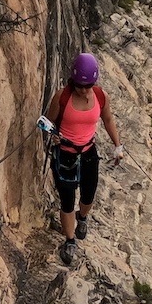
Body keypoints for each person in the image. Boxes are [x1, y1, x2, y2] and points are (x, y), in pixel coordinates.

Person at [45, 53, 123, 265]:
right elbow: (48, 121)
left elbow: (107, 119)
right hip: (66, 153)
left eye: (88, 86)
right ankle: (70, 240)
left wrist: (118, 146)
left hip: (88, 152)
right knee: (67, 199)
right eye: (80, 86)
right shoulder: (62, 97)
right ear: (74, 81)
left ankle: (83, 217)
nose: (85, 90)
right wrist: (52, 134)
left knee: (88, 194)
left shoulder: (100, 96)